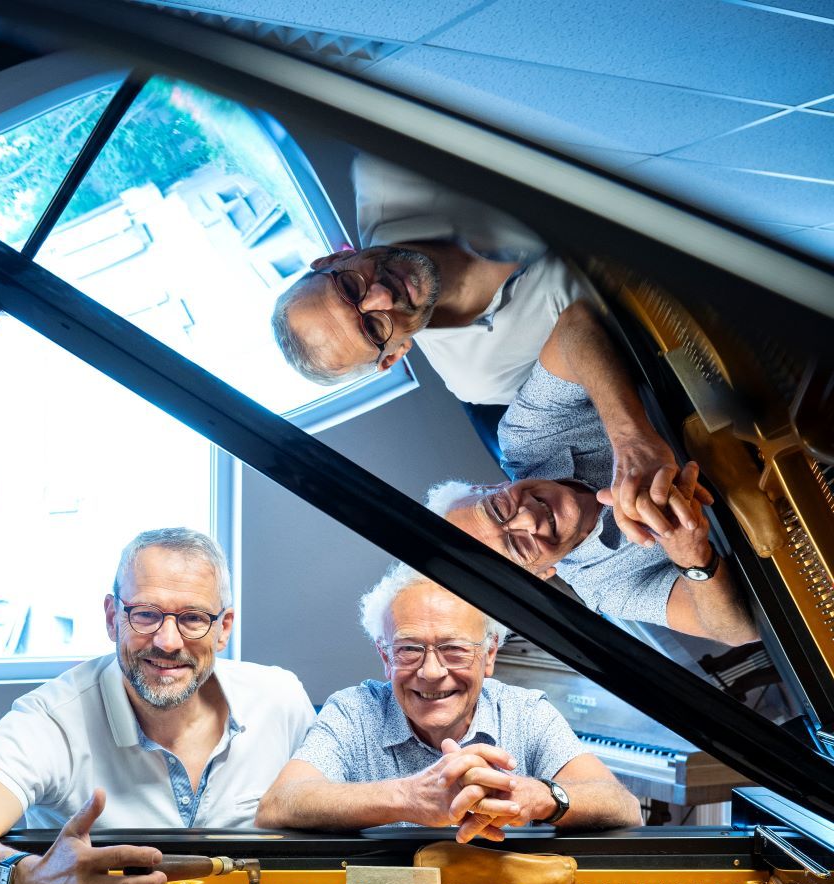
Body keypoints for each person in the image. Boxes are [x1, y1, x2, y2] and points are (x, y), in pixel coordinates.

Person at [0, 528, 316, 884]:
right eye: (146, 614)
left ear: (223, 628)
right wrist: (27, 882)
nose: (168, 641)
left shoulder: (280, 701)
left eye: (192, 618)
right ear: (111, 616)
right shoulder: (53, 719)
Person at [271, 153, 679, 514]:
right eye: (374, 327)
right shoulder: (480, 379)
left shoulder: (389, 166)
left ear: (333, 258)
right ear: (394, 355)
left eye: (348, 287)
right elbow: (596, 352)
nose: (380, 295)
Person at [256, 564, 640, 842]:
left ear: (489, 655)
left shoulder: (525, 712)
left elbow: (623, 807)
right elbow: (278, 806)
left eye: (454, 649)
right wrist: (409, 797)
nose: (431, 671)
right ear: (385, 656)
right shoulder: (353, 711)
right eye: (409, 649)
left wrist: (539, 796)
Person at [427, 358, 759, 645]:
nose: (527, 519)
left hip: (731, 383)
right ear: (540, 574)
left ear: (489, 486)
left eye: (497, 509)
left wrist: (630, 437)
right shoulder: (605, 589)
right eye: (518, 547)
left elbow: (575, 326)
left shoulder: (523, 435)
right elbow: (736, 631)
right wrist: (690, 554)